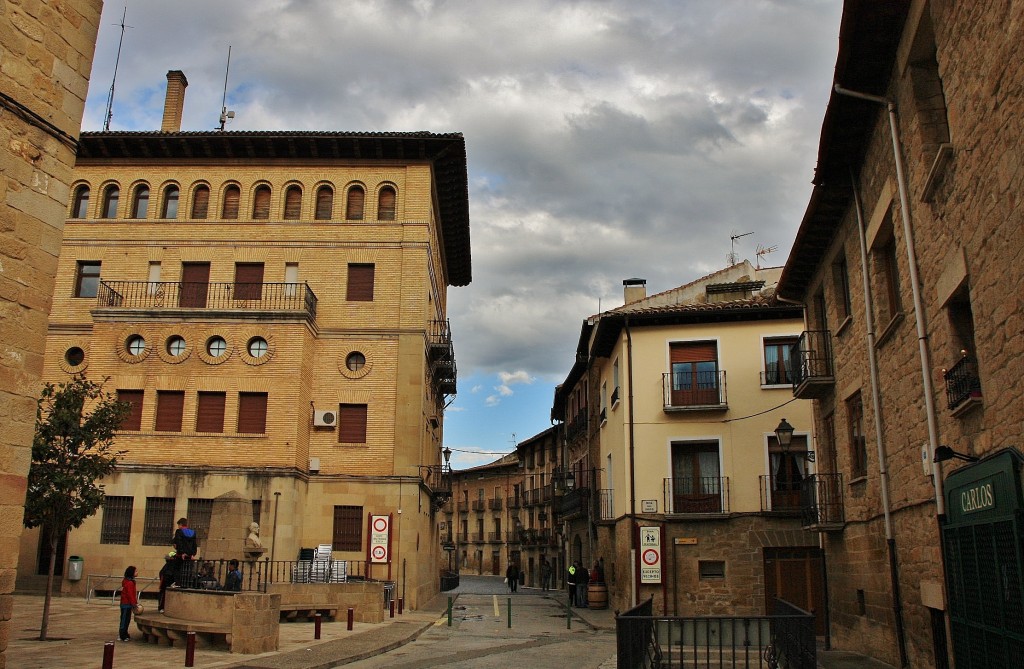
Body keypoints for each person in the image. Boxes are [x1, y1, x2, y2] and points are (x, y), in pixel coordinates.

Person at [172, 517, 199, 587]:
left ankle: (178, 583)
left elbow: (179, 542)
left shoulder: (179, 531)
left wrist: (182, 552)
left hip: (181, 555)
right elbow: (194, 544)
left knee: (177, 568)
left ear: (181, 524)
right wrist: (193, 553)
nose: (178, 526)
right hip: (190, 555)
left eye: (178, 525)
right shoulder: (193, 532)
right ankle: (187, 583)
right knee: (188, 570)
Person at [119, 565, 139, 641]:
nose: (137, 572)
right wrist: (134, 604)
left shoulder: (131, 582)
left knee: (127, 620)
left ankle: (125, 633)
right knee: (124, 620)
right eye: (136, 571)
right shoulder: (129, 583)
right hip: (126, 604)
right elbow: (130, 594)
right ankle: (122, 635)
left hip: (128, 604)